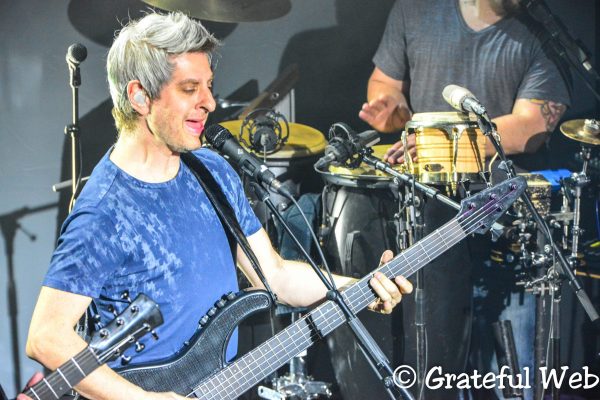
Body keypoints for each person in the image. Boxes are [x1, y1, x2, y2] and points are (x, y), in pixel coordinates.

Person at [24, 12, 413, 400]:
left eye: (208, 86)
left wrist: (358, 289)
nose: (209, 102)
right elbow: (46, 337)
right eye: (189, 89)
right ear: (140, 96)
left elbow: (275, 276)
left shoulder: (211, 170)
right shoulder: (106, 210)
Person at [359, 0, 570, 398]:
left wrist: (438, 144)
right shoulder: (415, 10)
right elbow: (384, 83)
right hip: (432, 220)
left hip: (507, 221)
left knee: (511, 377)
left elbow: (531, 126)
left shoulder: (541, 28)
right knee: (437, 369)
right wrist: (391, 107)